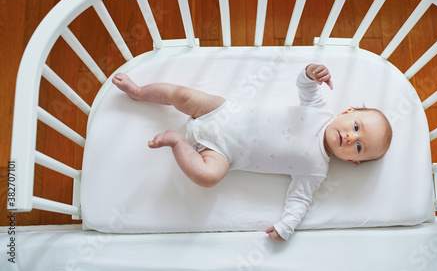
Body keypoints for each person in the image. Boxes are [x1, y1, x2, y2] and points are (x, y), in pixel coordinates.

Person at [112, 64, 392, 241]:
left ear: (352, 160)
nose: (351, 137)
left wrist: (287, 225)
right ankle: (139, 92)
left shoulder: (316, 169)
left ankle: (175, 142)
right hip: (222, 112)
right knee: (182, 96)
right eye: (356, 126)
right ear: (347, 112)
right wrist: (311, 72)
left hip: (222, 152)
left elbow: (300, 199)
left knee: (209, 177)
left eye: (359, 146)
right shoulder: (319, 109)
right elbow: (304, 85)